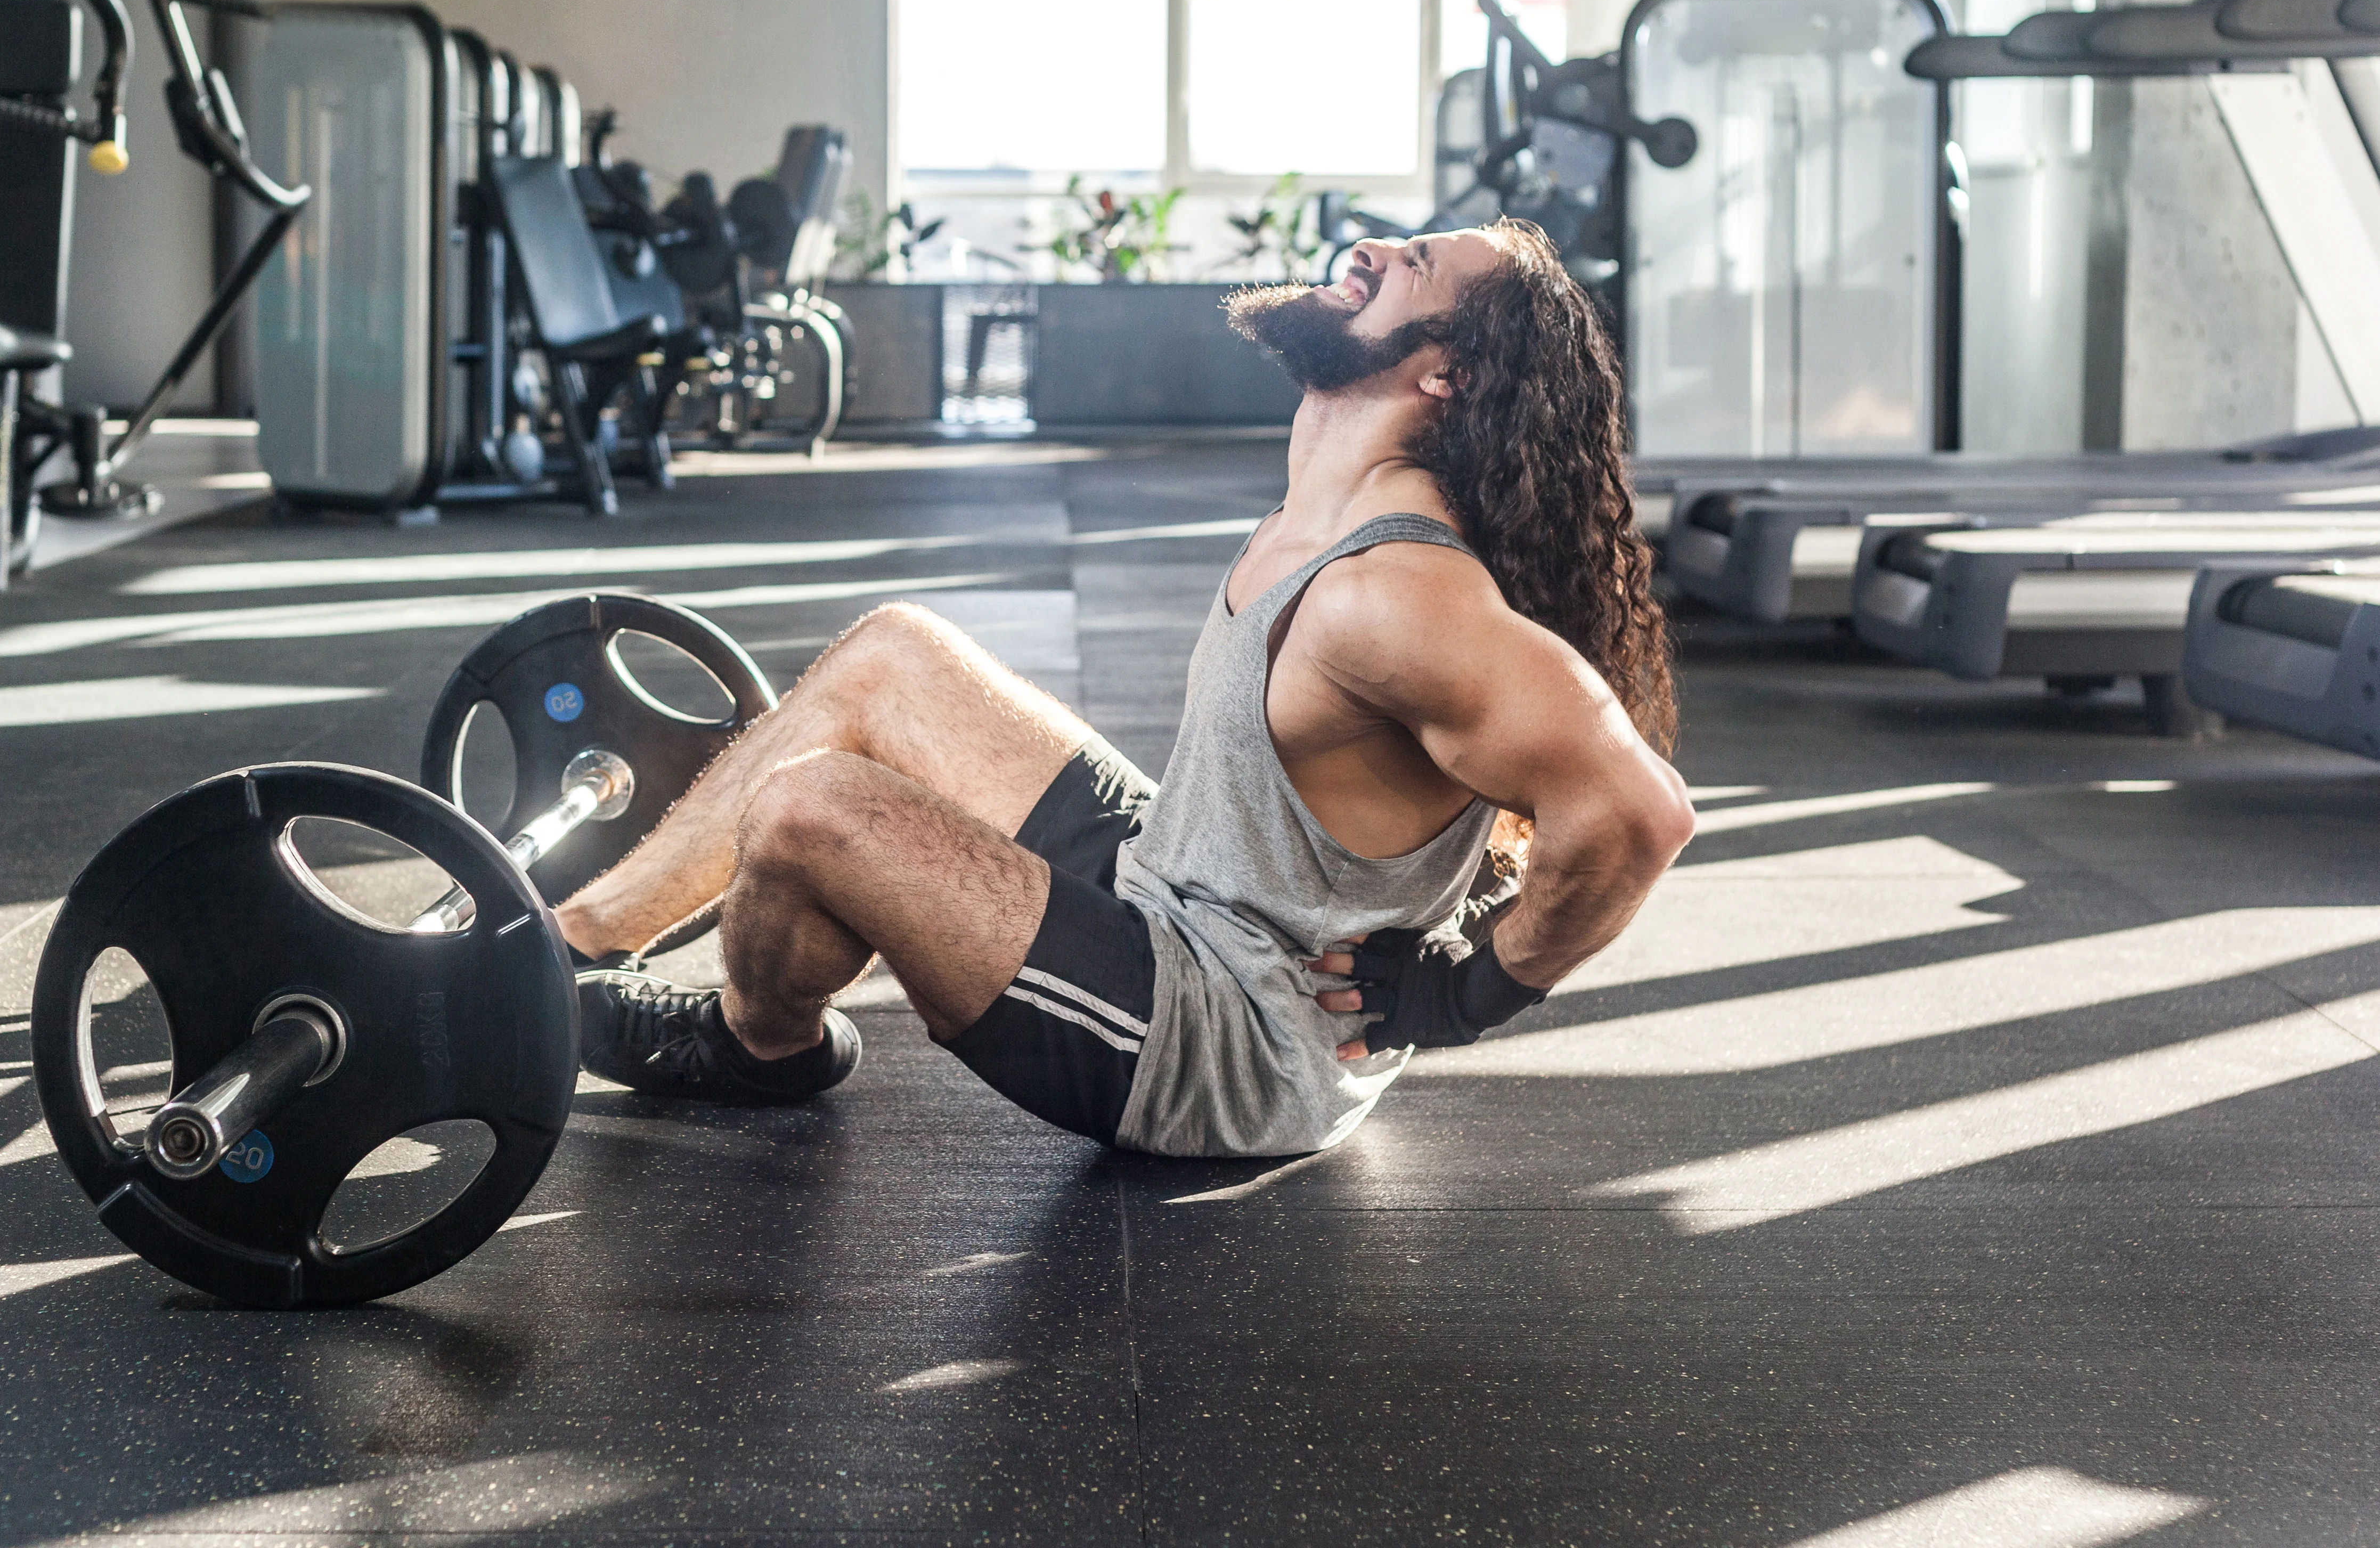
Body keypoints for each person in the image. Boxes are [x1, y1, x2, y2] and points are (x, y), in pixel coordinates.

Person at [550, 219, 1695, 1157]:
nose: (1376, 249)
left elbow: (1640, 811)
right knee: (893, 654)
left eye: (1416, 266)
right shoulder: (1323, 509)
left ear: (1446, 371)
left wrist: (1464, 993)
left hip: (1222, 1042)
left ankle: (753, 1047)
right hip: (1168, 885)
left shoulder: (1395, 591)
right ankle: (562, 949)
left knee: (812, 807)